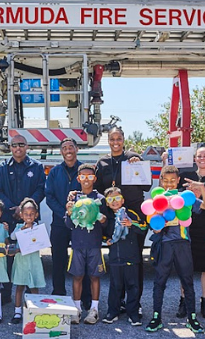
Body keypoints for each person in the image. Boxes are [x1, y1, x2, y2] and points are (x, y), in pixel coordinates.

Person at [145, 165, 205, 334]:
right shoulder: (158, 198)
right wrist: (157, 226)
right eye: (165, 180)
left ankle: (192, 317)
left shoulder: (184, 197)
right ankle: (156, 316)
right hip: (164, 244)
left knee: (187, 281)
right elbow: (153, 223)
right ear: (160, 181)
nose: (169, 184)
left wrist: (201, 188)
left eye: (173, 180)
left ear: (178, 180)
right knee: (159, 281)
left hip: (182, 244)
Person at [94, 127, 150, 304]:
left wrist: (138, 165)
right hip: (112, 218)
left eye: (119, 139)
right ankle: (118, 302)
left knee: (135, 260)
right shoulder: (102, 162)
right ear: (108, 140)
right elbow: (98, 191)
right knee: (116, 260)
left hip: (134, 215)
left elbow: (147, 186)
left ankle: (135, 302)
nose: (115, 142)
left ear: (123, 139)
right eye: (112, 139)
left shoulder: (133, 158)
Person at [0, 134, 46, 303]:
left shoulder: (37, 167)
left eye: (21, 144)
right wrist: (13, 208)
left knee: (30, 254)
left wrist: (25, 207)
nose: (18, 148)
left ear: (27, 146)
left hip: (29, 219)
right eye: (14, 145)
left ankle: (31, 294)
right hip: (9, 217)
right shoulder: (3, 167)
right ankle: (7, 293)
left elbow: (41, 190)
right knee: (9, 255)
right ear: (10, 147)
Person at [174, 147, 205, 320]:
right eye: (199, 156)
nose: (202, 158)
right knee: (185, 268)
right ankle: (184, 302)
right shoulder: (186, 177)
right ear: (195, 159)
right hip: (187, 230)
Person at [44, 138, 91, 305]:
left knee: (82, 259)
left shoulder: (84, 170)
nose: (68, 150)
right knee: (58, 259)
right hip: (60, 223)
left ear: (77, 149)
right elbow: (49, 197)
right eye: (65, 148)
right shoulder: (55, 172)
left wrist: (79, 214)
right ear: (61, 152)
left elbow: (91, 193)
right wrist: (65, 213)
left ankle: (85, 297)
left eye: (71, 147)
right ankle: (59, 293)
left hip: (82, 224)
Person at [64, 163, 106, 325]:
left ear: (94, 178)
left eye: (90, 176)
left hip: (94, 244)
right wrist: (69, 213)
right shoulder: (73, 198)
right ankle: (77, 309)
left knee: (95, 276)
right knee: (77, 276)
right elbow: (68, 225)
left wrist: (102, 220)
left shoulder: (100, 199)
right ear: (78, 178)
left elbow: (106, 224)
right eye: (83, 177)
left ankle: (94, 310)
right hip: (77, 245)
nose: (86, 180)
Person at [101, 187, 145, 326]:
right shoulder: (106, 217)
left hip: (131, 256)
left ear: (123, 200)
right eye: (110, 199)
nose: (114, 202)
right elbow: (103, 233)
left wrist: (132, 224)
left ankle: (133, 313)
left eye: (117, 198)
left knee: (133, 286)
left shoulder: (130, 214)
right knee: (115, 286)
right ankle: (112, 311)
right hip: (115, 257)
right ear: (107, 203)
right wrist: (105, 240)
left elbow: (144, 227)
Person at [9, 198, 47, 324]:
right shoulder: (19, 226)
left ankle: (35, 310)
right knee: (20, 286)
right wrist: (22, 229)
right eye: (26, 214)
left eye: (32, 214)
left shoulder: (38, 227)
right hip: (22, 261)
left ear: (36, 215)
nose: (29, 216)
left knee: (34, 286)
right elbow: (12, 237)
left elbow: (43, 243)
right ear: (21, 214)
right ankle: (17, 311)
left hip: (34, 261)